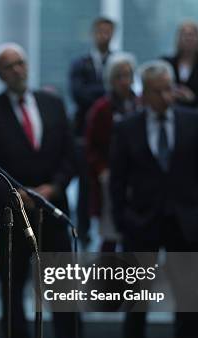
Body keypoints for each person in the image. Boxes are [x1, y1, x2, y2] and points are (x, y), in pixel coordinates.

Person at [0, 43, 90, 338]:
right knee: (12, 291)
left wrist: (55, 187)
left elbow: (71, 154)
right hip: (9, 215)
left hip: (52, 210)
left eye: (21, 63)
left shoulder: (52, 103)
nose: (18, 70)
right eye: (9, 66)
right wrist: (14, 192)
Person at [110, 60, 198, 338]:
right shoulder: (128, 127)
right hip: (142, 221)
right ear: (145, 94)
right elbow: (117, 182)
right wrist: (124, 220)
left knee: (189, 295)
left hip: (185, 219)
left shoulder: (193, 121)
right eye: (159, 91)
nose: (167, 96)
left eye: (169, 88)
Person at [69, 16, 116, 249]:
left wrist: (96, 93)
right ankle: (84, 230)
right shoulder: (80, 63)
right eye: (100, 31)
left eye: (108, 31)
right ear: (93, 33)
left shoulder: (118, 62)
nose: (103, 36)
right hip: (83, 135)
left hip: (111, 137)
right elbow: (78, 94)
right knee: (85, 185)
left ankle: (108, 231)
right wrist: (106, 92)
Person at [84, 52, 139, 252]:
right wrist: (101, 170)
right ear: (110, 79)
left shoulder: (140, 104)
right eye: (119, 76)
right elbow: (91, 147)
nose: (125, 81)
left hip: (138, 178)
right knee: (110, 233)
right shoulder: (101, 109)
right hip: (110, 178)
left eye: (128, 75)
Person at [162, 20, 198, 108]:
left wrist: (193, 97)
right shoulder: (167, 63)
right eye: (185, 35)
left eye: (191, 35)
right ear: (178, 38)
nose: (188, 38)